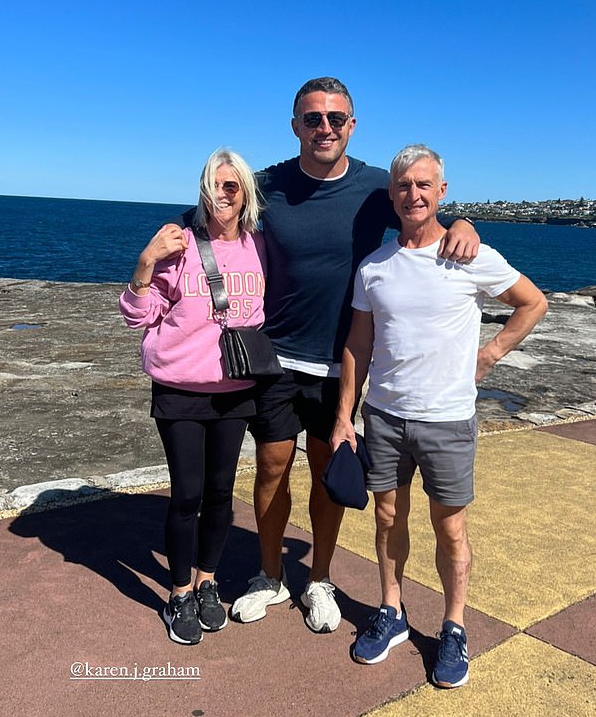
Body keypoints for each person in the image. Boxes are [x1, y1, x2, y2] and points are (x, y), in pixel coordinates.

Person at [173, 78, 480, 634]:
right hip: (275, 358)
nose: (325, 128)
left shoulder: (371, 188)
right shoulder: (266, 185)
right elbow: (207, 217)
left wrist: (463, 224)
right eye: (313, 119)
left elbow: (423, 216)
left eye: (336, 119)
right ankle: (269, 575)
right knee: (270, 467)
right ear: (295, 126)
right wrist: (155, 255)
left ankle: (318, 578)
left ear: (352, 126)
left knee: (326, 472)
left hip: (340, 363)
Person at [330, 144, 548, 686]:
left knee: (449, 529)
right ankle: (392, 610)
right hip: (384, 414)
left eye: (425, 185)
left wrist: (490, 353)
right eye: (404, 186)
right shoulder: (374, 266)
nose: (414, 194)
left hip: (447, 418)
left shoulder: (471, 255)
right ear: (392, 195)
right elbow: (359, 341)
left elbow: (533, 303)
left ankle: (453, 626)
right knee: (386, 519)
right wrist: (343, 415)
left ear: (442, 192)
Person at [119, 149, 266, 645]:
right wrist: (146, 260)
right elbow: (139, 316)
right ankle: (179, 593)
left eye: (231, 185)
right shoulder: (179, 245)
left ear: (245, 192)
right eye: (213, 184)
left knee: (222, 493)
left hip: (236, 389)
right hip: (180, 388)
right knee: (186, 495)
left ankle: (208, 581)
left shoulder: (259, 246)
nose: (221, 194)